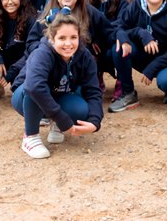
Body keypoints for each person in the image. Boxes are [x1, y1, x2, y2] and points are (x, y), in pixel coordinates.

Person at [11, 13, 103, 159]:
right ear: (52, 39)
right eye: (62, 38)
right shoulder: (42, 53)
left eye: (73, 37)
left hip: (57, 96)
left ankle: (56, 125)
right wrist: (63, 120)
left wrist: (95, 122)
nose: (68, 43)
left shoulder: (85, 57)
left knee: (80, 109)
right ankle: (30, 136)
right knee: (36, 88)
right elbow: (34, 87)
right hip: (25, 98)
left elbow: (93, 91)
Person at [27, 0, 118, 92]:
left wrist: (96, 41)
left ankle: (96, 80)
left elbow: (109, 32)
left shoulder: (89, 12)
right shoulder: (46, 17)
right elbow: (31, 43)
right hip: (52, 70)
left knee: (82, 101)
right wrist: (49, 49)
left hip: (81, 71)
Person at [86, 0, 129, 99]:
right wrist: (91, 39)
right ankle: (95, 76)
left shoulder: (121, 1)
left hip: (113, 41)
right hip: (95, 44)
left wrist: (106, 32)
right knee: (85, 48)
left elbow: (122, 23)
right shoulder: (86, 2)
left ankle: (122, 80)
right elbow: (83, 24)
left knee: (120, 48)